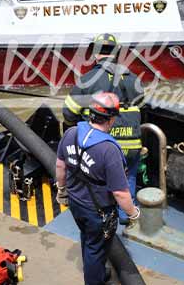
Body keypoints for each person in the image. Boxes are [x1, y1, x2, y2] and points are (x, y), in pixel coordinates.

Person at [56, 92, 141, 285]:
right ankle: (95, 279)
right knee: (97, 249)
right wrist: (133, 213)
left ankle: (98, 273)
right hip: (99, 212)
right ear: (111, 119)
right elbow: (120, 192)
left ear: (91, 113)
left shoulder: (71, 133)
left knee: (87, 238)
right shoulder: (109, 150)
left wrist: (61, 190)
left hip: (76, 203)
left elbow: (60, 166)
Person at [63, 33, 144, 224]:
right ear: (116, 53)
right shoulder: (133, 79)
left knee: (97, 179)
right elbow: (143, 105)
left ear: (95, 54)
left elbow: (68, 113)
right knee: (127, 177)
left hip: (101, 144)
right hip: (132, 143)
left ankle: (102, 213)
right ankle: (126, 214)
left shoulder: (87, 80)